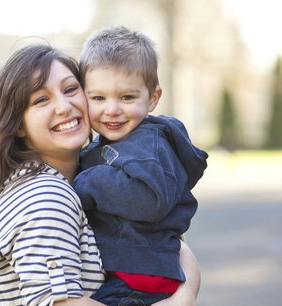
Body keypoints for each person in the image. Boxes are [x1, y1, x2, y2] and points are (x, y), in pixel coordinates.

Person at [0, 43, 201, 306]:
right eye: (41, 100)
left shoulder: (83, 180)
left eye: (71, 89)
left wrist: (186, 284)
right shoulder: (45, 197)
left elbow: (163, 241)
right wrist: (180, 300)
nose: (64, 106)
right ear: (18, 125)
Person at [72, 26, 208, 306]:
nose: (112, 109)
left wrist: (83, 183)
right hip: (129, 270)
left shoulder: (148, 143)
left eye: (126, 97)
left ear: (153, 98)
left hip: (137, 278)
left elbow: (149, 199)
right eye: (98, 98)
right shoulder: (111, 142)